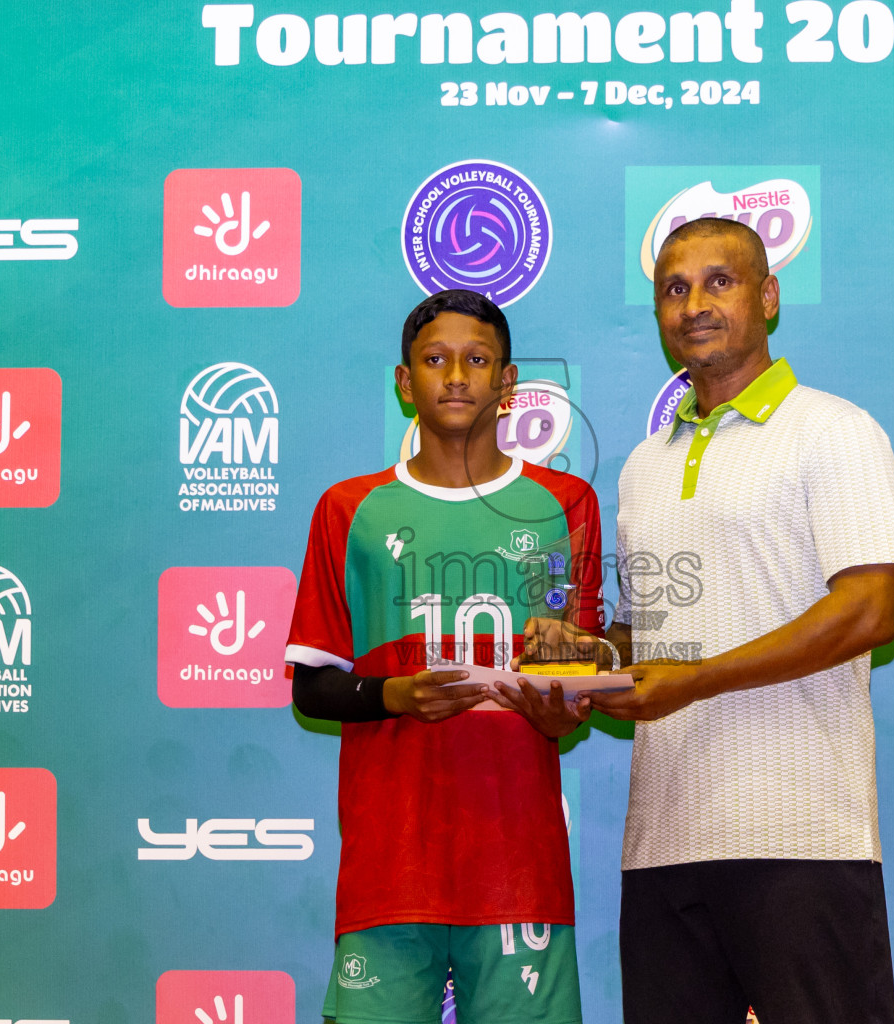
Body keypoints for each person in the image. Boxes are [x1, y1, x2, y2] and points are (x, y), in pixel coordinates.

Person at [591, 218, 894, 1024]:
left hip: (801, 836)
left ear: (768, 298)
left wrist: (697, 680)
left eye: (719, 282)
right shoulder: (645, 465)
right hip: (663, 842)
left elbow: (870, 610)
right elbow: (652, 636)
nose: (693, 304)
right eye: (674, 288)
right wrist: (583, 662)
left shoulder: (835, 431)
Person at [285, 288, 601, 1024]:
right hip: (389, 868)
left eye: (476, 359)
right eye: (434, 359)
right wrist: (396, 697)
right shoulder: (349, 510)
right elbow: (313, 689)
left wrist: (560, 694)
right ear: (405, 383)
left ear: (507, 381)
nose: (456, 375)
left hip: (520, 869)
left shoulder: (566, 503)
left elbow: (577, 694)